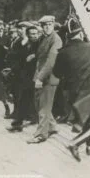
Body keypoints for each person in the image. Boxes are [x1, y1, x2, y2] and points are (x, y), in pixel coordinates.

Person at [53, 18, 90, 162]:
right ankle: (75, 143)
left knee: (87, 119)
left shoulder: (62, 52)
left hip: (73, 93)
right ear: (80, 34)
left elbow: (56, 73)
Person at [27, 15, 62, 144]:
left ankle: (41, 135)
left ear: (53, 25)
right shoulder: (44, 38)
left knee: (43, 106)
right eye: (44, 25)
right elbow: (42, 53)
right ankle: (52, 127)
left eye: (49, 25)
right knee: (39, 104)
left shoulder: (56, 40)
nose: (47, 27)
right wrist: (34, 55)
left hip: (48, 77)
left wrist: (40, 78)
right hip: (40, 75)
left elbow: (50, 62)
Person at [6, 26, 41, 132]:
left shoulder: (39, 45)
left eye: (36, 33)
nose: (35, 35)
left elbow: (44, 55)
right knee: (25, 99)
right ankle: (20, 122)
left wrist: (35, 56)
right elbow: (20, 58)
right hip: (26, 76)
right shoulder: (25, 45)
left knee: (29, 99)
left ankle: (23, 121)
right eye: (32, 34)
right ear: (28, 35)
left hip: (36, 76)